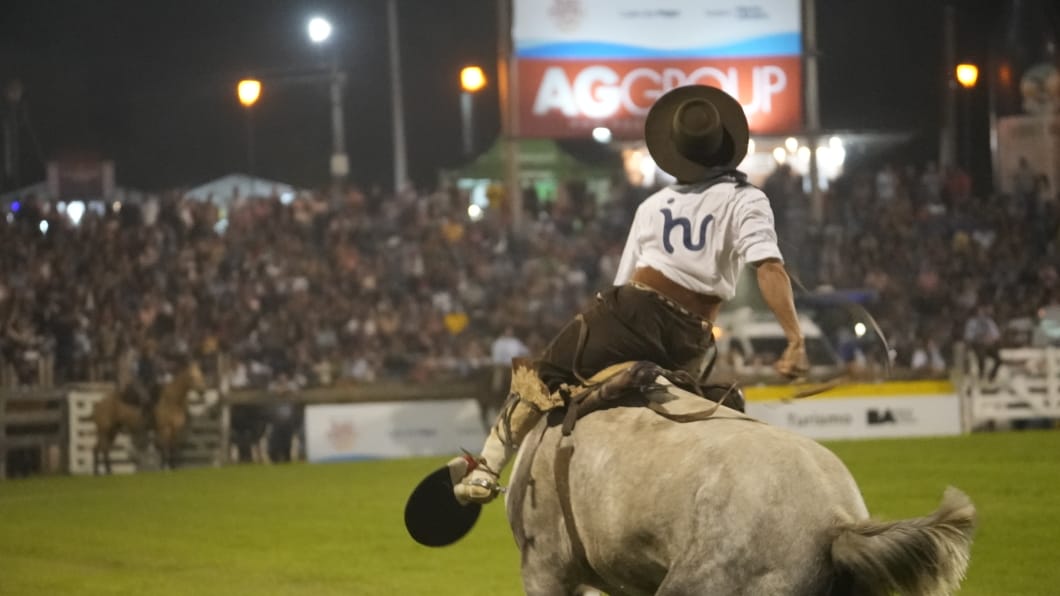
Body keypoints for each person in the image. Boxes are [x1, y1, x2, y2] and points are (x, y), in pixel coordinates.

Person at [450, 85, 810, 505]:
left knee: (541, 373)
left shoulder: (653, 206)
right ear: (724, 147)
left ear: (677, 151)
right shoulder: (747, 199)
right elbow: (768, 267)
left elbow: (622, 286)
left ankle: (488, 467)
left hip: (632, 314)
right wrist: (795, 339)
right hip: (692, 338)